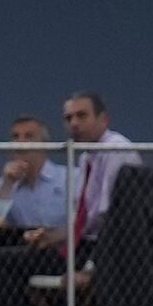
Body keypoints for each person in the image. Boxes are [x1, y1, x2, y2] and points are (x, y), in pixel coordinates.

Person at [61, 89, 138, 233]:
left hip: (113, 241)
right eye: (68, 118)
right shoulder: (85, 158)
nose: (74, 124)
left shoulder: (115, 149)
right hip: (89, 239)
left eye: (81, 116)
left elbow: (107, 213)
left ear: (103, 119)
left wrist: (67, 236)